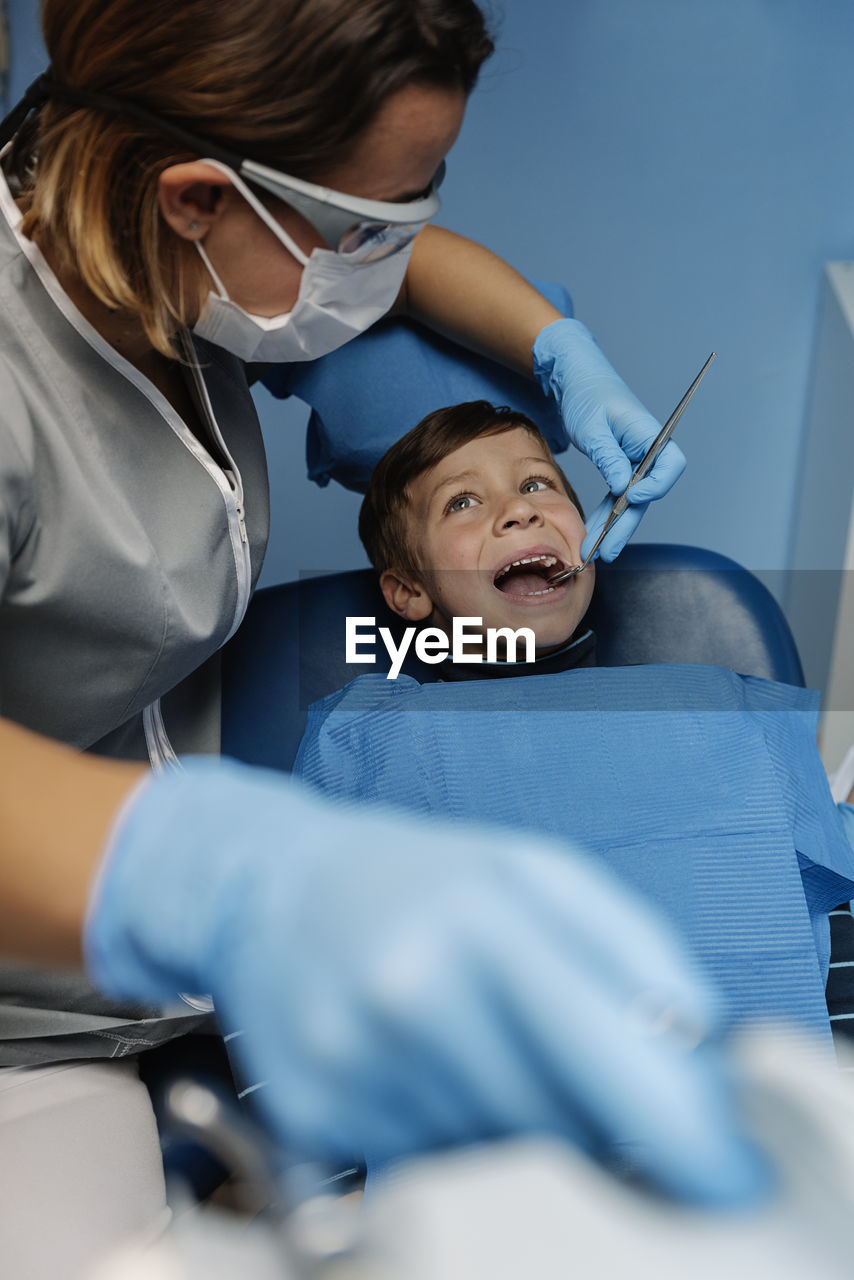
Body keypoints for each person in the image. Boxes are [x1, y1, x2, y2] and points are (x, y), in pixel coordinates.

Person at [0, 2, 756, 1274]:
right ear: (195, 198)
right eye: (366, 223)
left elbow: (387, 265)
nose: (392, 250)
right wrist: (228, 875)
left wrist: (552, 347)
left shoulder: (160, 233)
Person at [294, 399, 854, 1032]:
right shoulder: (374, 741)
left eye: (538, 484)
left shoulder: (721, 714)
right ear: (408, 590)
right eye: (462, 502)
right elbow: (309, 973)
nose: (521, 508)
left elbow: (819, 922)